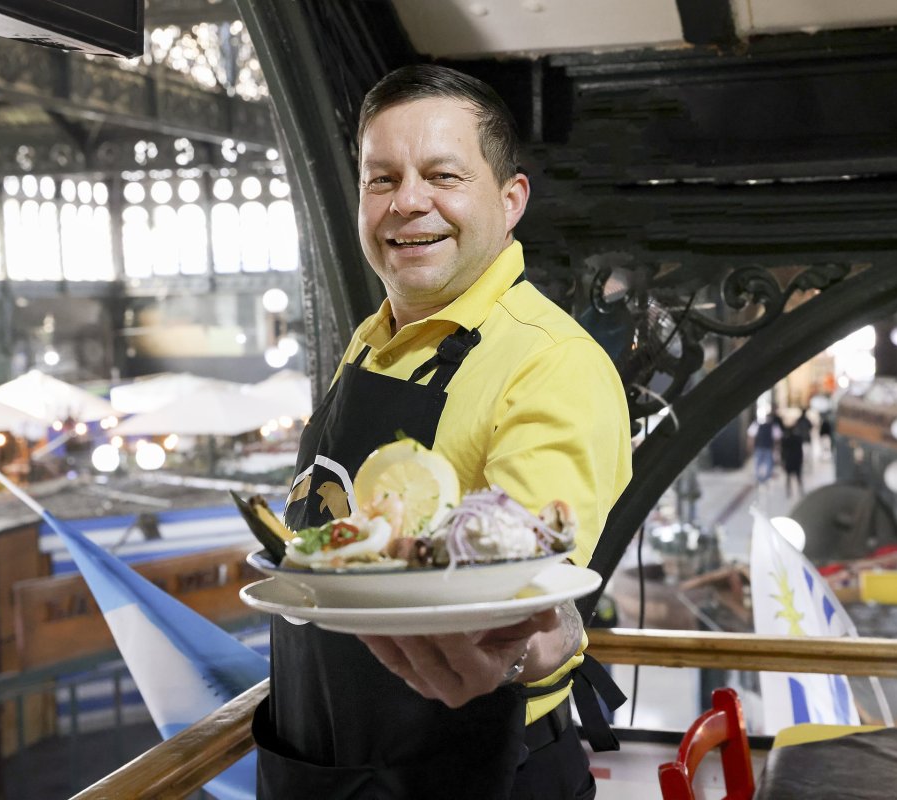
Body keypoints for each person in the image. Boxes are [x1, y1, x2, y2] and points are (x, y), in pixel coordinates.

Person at [252, 64, 633, 799]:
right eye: (382, 179)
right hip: (319, 770)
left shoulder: (552, 364)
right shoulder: (372, 337)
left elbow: (535, 598)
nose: (407, 202)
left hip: (474, 776)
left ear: (511, 199)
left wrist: (520, 649)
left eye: (442, 176)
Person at [749, 412, 780, 487]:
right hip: (767, 447)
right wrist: (776, 447)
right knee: (768, 463)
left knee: (758, 462)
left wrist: (751, 446)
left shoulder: (757, 425)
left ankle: (759, 478)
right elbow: (777, 438)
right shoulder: (773, 426)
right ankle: (765, 478)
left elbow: (751, 436)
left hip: (760, 446)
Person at [780, 421, 805, 498]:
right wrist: (801, 459)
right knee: (798, 476)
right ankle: (801, 490)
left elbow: (783, 451)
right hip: (797, 459)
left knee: (788, 476)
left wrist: (782, 461)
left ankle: (788, 491)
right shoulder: (798, 439)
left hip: (789, 460)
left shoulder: (786, 440)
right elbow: (800, 450)